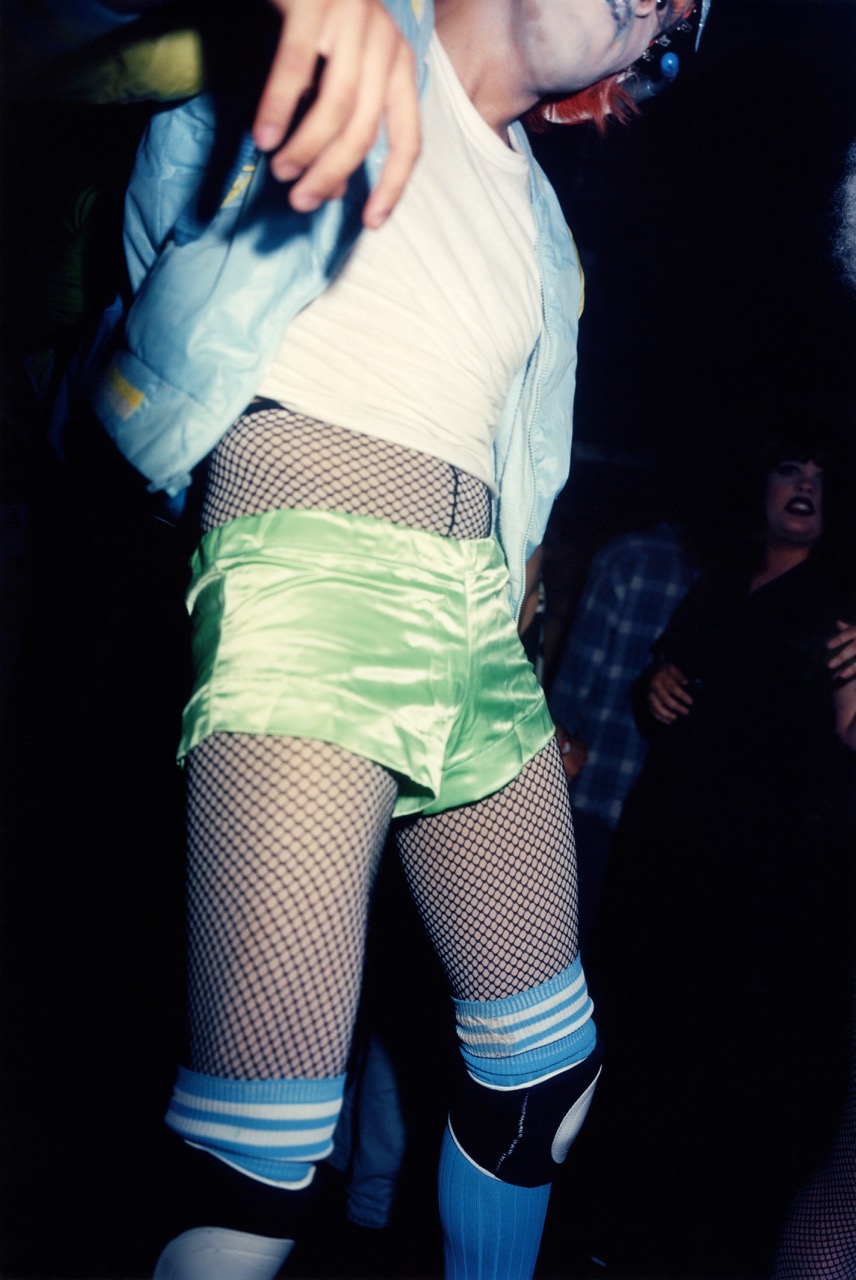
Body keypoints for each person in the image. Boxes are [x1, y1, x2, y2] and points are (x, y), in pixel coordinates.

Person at [70, 2, 714, 1278]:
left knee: (545, 1071)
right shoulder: (334, 29)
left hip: (475, 623)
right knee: (255, 1162)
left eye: (666, 22)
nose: (646, 9)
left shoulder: (546, 232)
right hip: (316, 578)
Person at [571, 424, 856, 1276]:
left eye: (821, 475)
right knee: (643, 1051)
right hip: (668, 862)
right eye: (786, 470)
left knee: (741, 1077)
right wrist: (650, 688)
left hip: (775, 885)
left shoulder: (844, 591)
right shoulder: (722, 580)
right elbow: (664, 686)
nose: (803, 486)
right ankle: (612, 1238)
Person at [549, 519, 697, 952]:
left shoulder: (634, 557)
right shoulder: (633, 558)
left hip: (614, 803)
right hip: (603, 800)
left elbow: (572, 686)